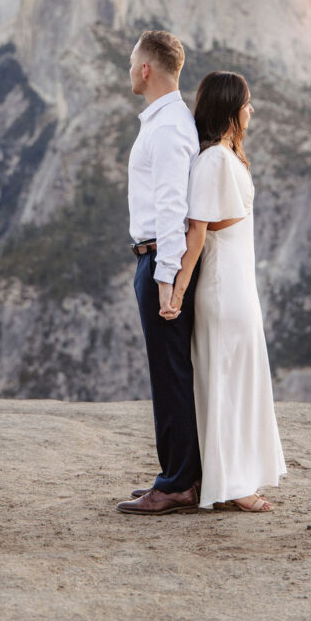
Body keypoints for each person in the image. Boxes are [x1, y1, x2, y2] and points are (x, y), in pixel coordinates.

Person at [169, 71, 286, 512]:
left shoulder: (228, 156)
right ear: (229, 109)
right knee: (225, 381)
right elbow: (197, 231)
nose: (251, 109)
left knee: (238, 378)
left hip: (239, 284)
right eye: (246, 102)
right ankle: (232, 484)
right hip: (221, 287)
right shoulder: (214, 161)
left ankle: (237, 477)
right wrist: (178, 290)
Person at [116, 30, 202, 516]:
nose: (129, 70)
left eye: (132, 63)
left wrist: (166, 281)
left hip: (159, 263)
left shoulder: (168, 128)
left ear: (146, 69)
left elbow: (173, 208)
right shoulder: (164, 121)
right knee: (167, 373)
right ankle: (174, 474)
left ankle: (177, 484)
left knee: (170, 375)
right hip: (152, 260)